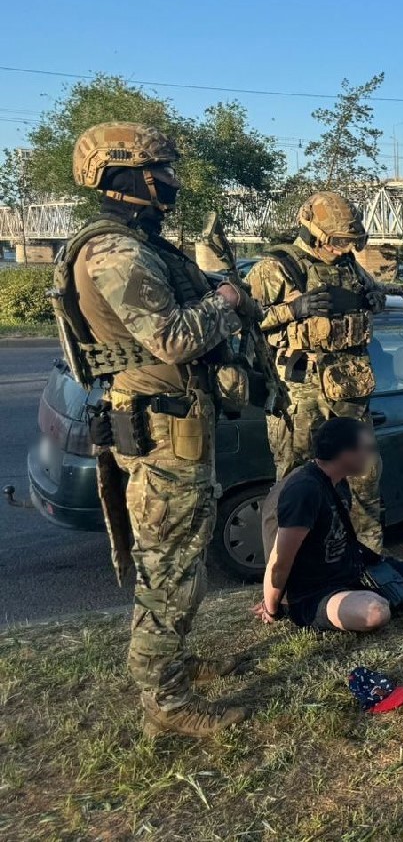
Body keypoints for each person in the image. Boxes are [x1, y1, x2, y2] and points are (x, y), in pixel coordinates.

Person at [54, 122, 260, 737]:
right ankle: (165, 704)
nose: (170, 182)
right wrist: (224, 300)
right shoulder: (115, 253)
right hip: (161, 429)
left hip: (172, 422)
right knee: (168, 567)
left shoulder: (135, 243)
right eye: (161, 172)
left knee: (179, 559)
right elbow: (170, 339)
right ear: (128, 176)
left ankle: (173, 664)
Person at [245, 192, 388, 555]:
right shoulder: (276, 268)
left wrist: (376, 300)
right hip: (299, 392)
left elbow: (377, 296)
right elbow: (242, 321)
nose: (345, 250)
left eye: (351, 243)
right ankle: (287, 574)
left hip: (349, 387)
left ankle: (368, 559)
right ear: (313, 232)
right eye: (338, 241)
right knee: (294, 483)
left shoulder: (350, 268)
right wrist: (294, 308)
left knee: (366, 476)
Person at [256, 417, 403, 632]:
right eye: (367, 449)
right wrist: (271, 608)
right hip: (312, 591)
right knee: (375, 613)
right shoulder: (304, 490)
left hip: (348, 568)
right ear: (346, 454)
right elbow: (279, 562)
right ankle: (386, 595)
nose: (370, 455)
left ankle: (385, 592)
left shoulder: (339, 479)